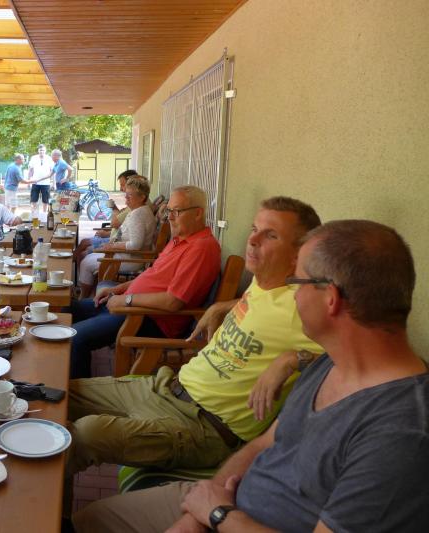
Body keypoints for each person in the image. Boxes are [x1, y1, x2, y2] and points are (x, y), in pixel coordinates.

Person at [75, 219, 429, 533]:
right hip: (229, 499)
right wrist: (203, 508)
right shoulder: (329, 365)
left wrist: (216, 514)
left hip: (230, 514)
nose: (291, 295)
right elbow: (263, 444)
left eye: (296, 282)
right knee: (90, 520)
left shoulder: (401, 432)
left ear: (330, 299)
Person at [68, 185, 221, 379]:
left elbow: (173, 302)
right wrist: (118, 289)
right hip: (130, 306)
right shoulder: (179, 240)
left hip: (148, 318)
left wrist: (126, 300)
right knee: (67, 308)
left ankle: (79, 394)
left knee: (74, 338)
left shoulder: (201, 248)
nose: (170, 217)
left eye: (176, 212)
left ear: (198, 213)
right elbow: (151, 274)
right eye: (168, 211)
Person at [78, 176, 157, 298]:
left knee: (86, 263)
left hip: (130, 259)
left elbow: (135, 245)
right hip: (126, 255)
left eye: (130, 195)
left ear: (142, 197)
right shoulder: (140, 210)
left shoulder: (138, 215)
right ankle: (89, 296)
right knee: (88, 258)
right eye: (126, 194)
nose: (126, 198)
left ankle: (84, 297)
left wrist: (113, 246)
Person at [74, 169, 138, 265]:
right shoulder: (135, 205)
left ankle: (67, 264)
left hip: (117, 245)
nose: (121, 189)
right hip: (116, 241)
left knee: (84, 250)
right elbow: (123, 228)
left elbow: (115, 224)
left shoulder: (136, 207)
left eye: (123, 185)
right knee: (84, 245)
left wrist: (113, 209)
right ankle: (70, 264)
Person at [28, 143, 54, 214]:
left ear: (45, 151)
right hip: (35, 182)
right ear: (38, 151)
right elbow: (30, 170)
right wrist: (29, 181)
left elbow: (53, 171)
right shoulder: (33, 158)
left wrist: (53, 183)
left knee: (45, 200)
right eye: (40, 150)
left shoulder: (49, 158)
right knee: (33, 200)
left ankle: (44, 214)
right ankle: (34, 214)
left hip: (46, 183)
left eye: (43, 150)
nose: (41, 152)